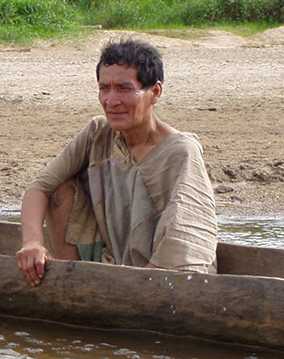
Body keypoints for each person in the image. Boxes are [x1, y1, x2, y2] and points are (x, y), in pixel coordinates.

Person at [16, 39, 217, 286]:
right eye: (104, 88)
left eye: (124, 89)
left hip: (162, 278)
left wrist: (144, 283)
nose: (111, 101)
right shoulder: (97, 133)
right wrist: (33, 243)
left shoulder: (181, 151)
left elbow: (187, 232)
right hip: (111, 264)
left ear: (155, 92)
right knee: (60, 189)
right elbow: (39, 188)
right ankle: (74, 282)